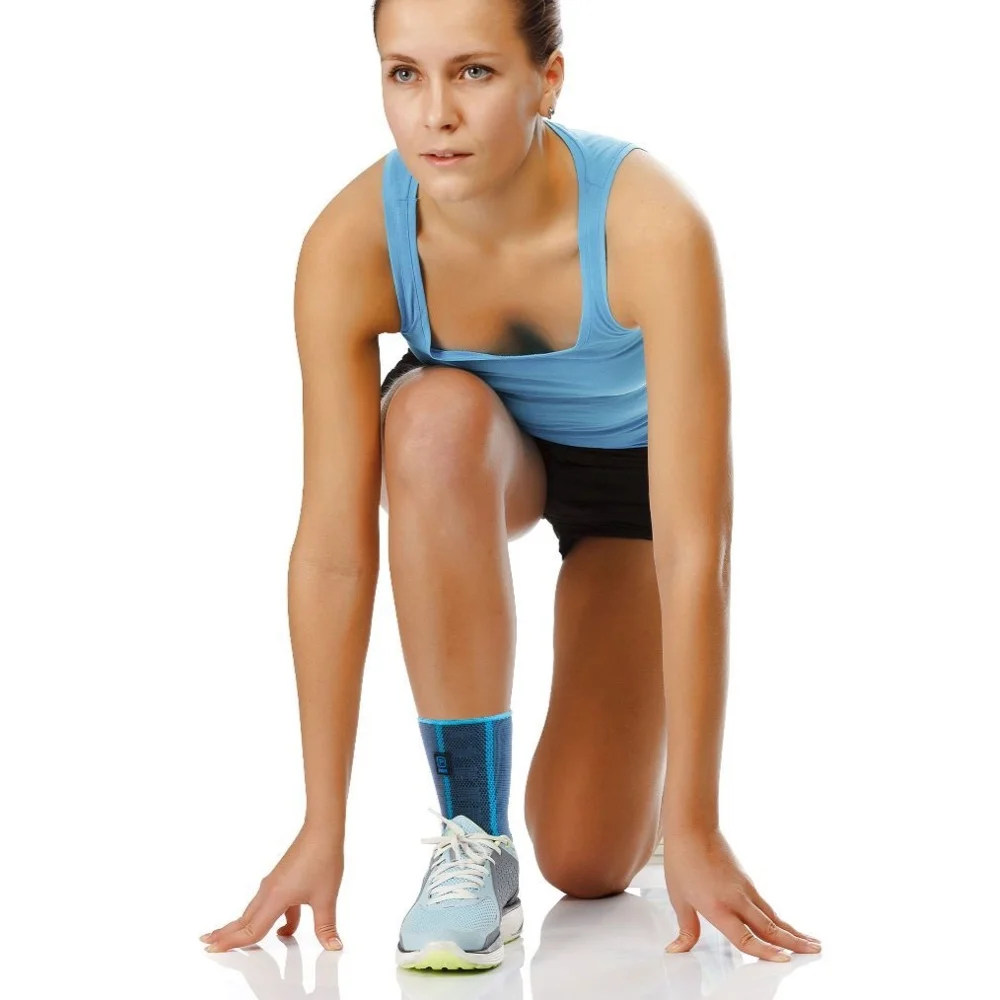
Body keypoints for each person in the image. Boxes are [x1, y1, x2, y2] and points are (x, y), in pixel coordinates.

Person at [199, 0, 822, 973]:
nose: (435, 113)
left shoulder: (650, 223)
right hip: (480, 452)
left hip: (629, 495)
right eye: (404, 74)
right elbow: (330, 552)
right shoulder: (351, 241)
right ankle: (472, 840)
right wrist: (322, 824)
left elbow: (697, 542)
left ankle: (641, 800)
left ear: (548, 81)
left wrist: (695, 820)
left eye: (474, 73)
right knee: (429, 416)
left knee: (586, 860)